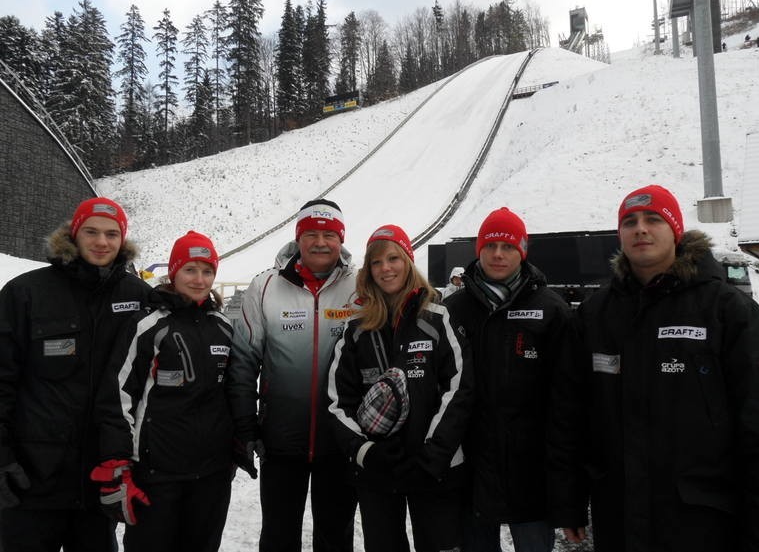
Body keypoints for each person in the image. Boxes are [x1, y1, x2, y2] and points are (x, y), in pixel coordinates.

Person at [554, 184, 759, 551]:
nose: (640, 229)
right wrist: (568, 501)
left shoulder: (727, 310)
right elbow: (568, 414)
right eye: (630, 221)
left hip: (703, 521)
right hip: (620, 518)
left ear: (675, 229)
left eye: (653, 218)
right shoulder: (595, 314)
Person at [0, 196, 152, 551]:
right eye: (92, 232)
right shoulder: (25, 294)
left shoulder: (141, 296)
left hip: (100, 481)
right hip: (31, 479)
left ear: (122, 239)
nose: (102, 242)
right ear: (74, 234)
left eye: (112, 234)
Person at [328, 224, 473, 552]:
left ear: (408, 261)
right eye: (376, 262)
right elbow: (337, 402)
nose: (385, 268)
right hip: (379, 471)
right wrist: (366, 452)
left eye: (393, 258)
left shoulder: (437, 320)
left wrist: (432, 455)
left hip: (434, 468)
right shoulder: (356, 331)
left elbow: (459, 388)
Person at [443, 207, 579, 552]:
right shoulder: (455, 309)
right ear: (479, 251)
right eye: (490, 246)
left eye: (508, 246)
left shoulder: (551, 309)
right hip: (472, 470)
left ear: (522, 251)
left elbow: (568, 400)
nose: (498, 254)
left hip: (531, 473)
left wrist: (566, 487)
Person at [227, 199, 359, 552]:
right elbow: (243, 362)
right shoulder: (265, 286)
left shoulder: (360, 286)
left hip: (342, 439)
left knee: (336, 536)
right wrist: (245, 427)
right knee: (279, 535)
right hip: (281, 440)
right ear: (298, 238)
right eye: (311, 234)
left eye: (329, 235)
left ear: (341, 240)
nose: (320, 242)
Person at [91, 231, 235, 552]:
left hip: (211, 474)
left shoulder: (223, 327)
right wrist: (117, 463)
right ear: (174, 272)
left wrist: (237, 447)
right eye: (190, 269)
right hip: (156, 475)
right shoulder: (147, 325)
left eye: (207, 271)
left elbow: (232, 393)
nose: (199, 279)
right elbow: (118, 397)